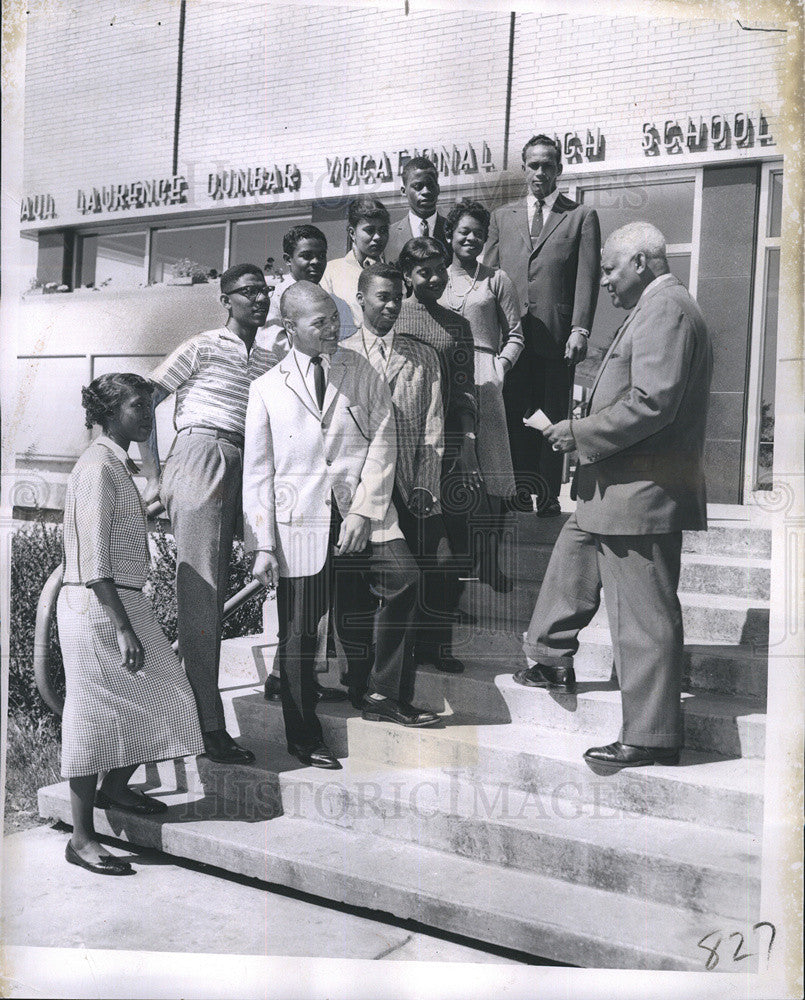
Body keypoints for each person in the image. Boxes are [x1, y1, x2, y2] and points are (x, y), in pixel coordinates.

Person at [515, 222, 712, 773]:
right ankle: (551, 656)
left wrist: (578, 434)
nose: (601, 282)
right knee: (571, 557)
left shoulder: (665, 309)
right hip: (619, 487)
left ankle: (650, 736)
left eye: (609, 269)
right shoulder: (656, 307)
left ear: (642, 264)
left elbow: (653, 403)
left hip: (641, 493)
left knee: (644, 620)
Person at [243, 282, 438, 770]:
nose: (334, 328)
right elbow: (258, 473)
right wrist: (263, 544)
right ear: (290, 328)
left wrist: (362, 511)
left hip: (361, 513)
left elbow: (384, 438)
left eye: (335, 318)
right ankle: (303, 736)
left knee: (404, 579)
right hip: (299, 523)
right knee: (299, 633)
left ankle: (381, 691)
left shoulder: (361, 369)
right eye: (321, 322)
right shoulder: (265, 390)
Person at [58, 373, 204, 875]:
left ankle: (115, 792)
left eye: (149, 407)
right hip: (100, 606)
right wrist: (123, 628)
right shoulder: (98, 467)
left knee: (165, 696)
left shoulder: (113, 465)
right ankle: (81, 840)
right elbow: (95, 557)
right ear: (109, 413)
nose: (148, 416)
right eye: (138, 408)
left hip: (119, 599)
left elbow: (110, 529)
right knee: (93, 718)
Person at [138, 263, 274, 765]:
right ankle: (208, 729)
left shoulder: (268, 357)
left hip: (251, 464)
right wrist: (152, 475)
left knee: (283, 563)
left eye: (265, 291)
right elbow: (143, 398)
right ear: (226, 299)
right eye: (248, 292)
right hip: (203, 454)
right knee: (203, 595)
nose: (259, 299)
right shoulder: (202, 344)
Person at [341, 263, 455, 685]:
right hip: (355, 493)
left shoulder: (422, 355)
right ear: (361, 299)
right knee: (355, 590)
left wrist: (427, 484)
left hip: (407, 485)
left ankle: (415, 659)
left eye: (396, 297)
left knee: (436, 564)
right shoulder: (341, 353)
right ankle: (358, 678)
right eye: (381, 297)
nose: (391, 305)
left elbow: (434, 427)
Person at [485, 134, 601, 516]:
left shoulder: (580, 215)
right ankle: (519, 490)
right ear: (524, 169)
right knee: (516, 411)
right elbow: (488, 273)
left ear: (559, 170)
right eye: (533, 165)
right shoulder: (503, 217)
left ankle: (549, 493)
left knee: (553, 414)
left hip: (556, 336)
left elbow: (586, 277)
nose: (540, 172)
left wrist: (580, 329)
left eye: (547, 165)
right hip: (512, 336)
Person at [396, 236, 481, 669]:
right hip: (400, 449)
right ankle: (402, 647)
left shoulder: (458, 325)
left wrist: (466, 445)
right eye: (424, 271)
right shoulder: (394, 317)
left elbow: (465, 390)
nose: (433, 278)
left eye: (440, 269)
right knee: (407, 549)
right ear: (407, 275)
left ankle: (436, 643)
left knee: (448, 555)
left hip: (445, 449)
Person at [441, 198, 525, 589]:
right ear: (450, 235)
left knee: (490, 471)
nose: (471, 238)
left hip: (485, 380)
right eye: (464, 231)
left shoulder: (496, 279)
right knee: (454, 467)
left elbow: (516, 335)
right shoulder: (436, 278)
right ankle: (458, 560)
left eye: (478, 232)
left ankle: (490, 562)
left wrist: (498, 367)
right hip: (444, 377)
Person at [263, 224, 356, 355]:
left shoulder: (337, 303)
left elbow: (350, 348)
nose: (316, 262)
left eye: (321, 256)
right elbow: (273, 350)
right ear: (288, 259)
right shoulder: (274, 301)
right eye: (307, 256)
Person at [321, 197, 391, 327]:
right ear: (352, 233)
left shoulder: (392, 275)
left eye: (383, 230)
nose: (377, 237)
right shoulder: (331, 272)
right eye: (370, 230)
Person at [384, 156, 449, 264]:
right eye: (418, 186)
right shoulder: (388, 236)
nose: (426, 191)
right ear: (404, 191)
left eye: (430, 185)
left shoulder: (454, 231)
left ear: (438, 188)